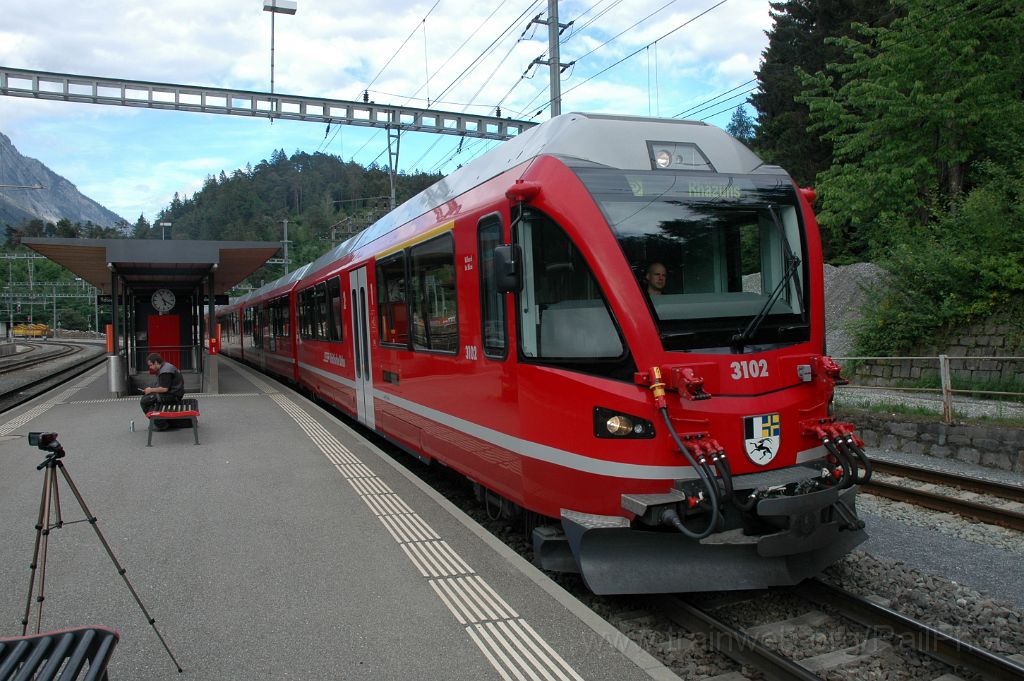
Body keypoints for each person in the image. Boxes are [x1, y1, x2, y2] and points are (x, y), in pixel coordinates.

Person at [140, 353, 185, 427]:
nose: (150, 367)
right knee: (148, 398)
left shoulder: (165, 372)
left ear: (156, 362)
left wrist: (151, 390)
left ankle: (160, 423)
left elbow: (164, 389)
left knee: (144, 401)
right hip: (174, 393)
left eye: (151, 365)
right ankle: (158, 420)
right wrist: (150, 390)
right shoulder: (165, 366)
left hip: (173, 396)